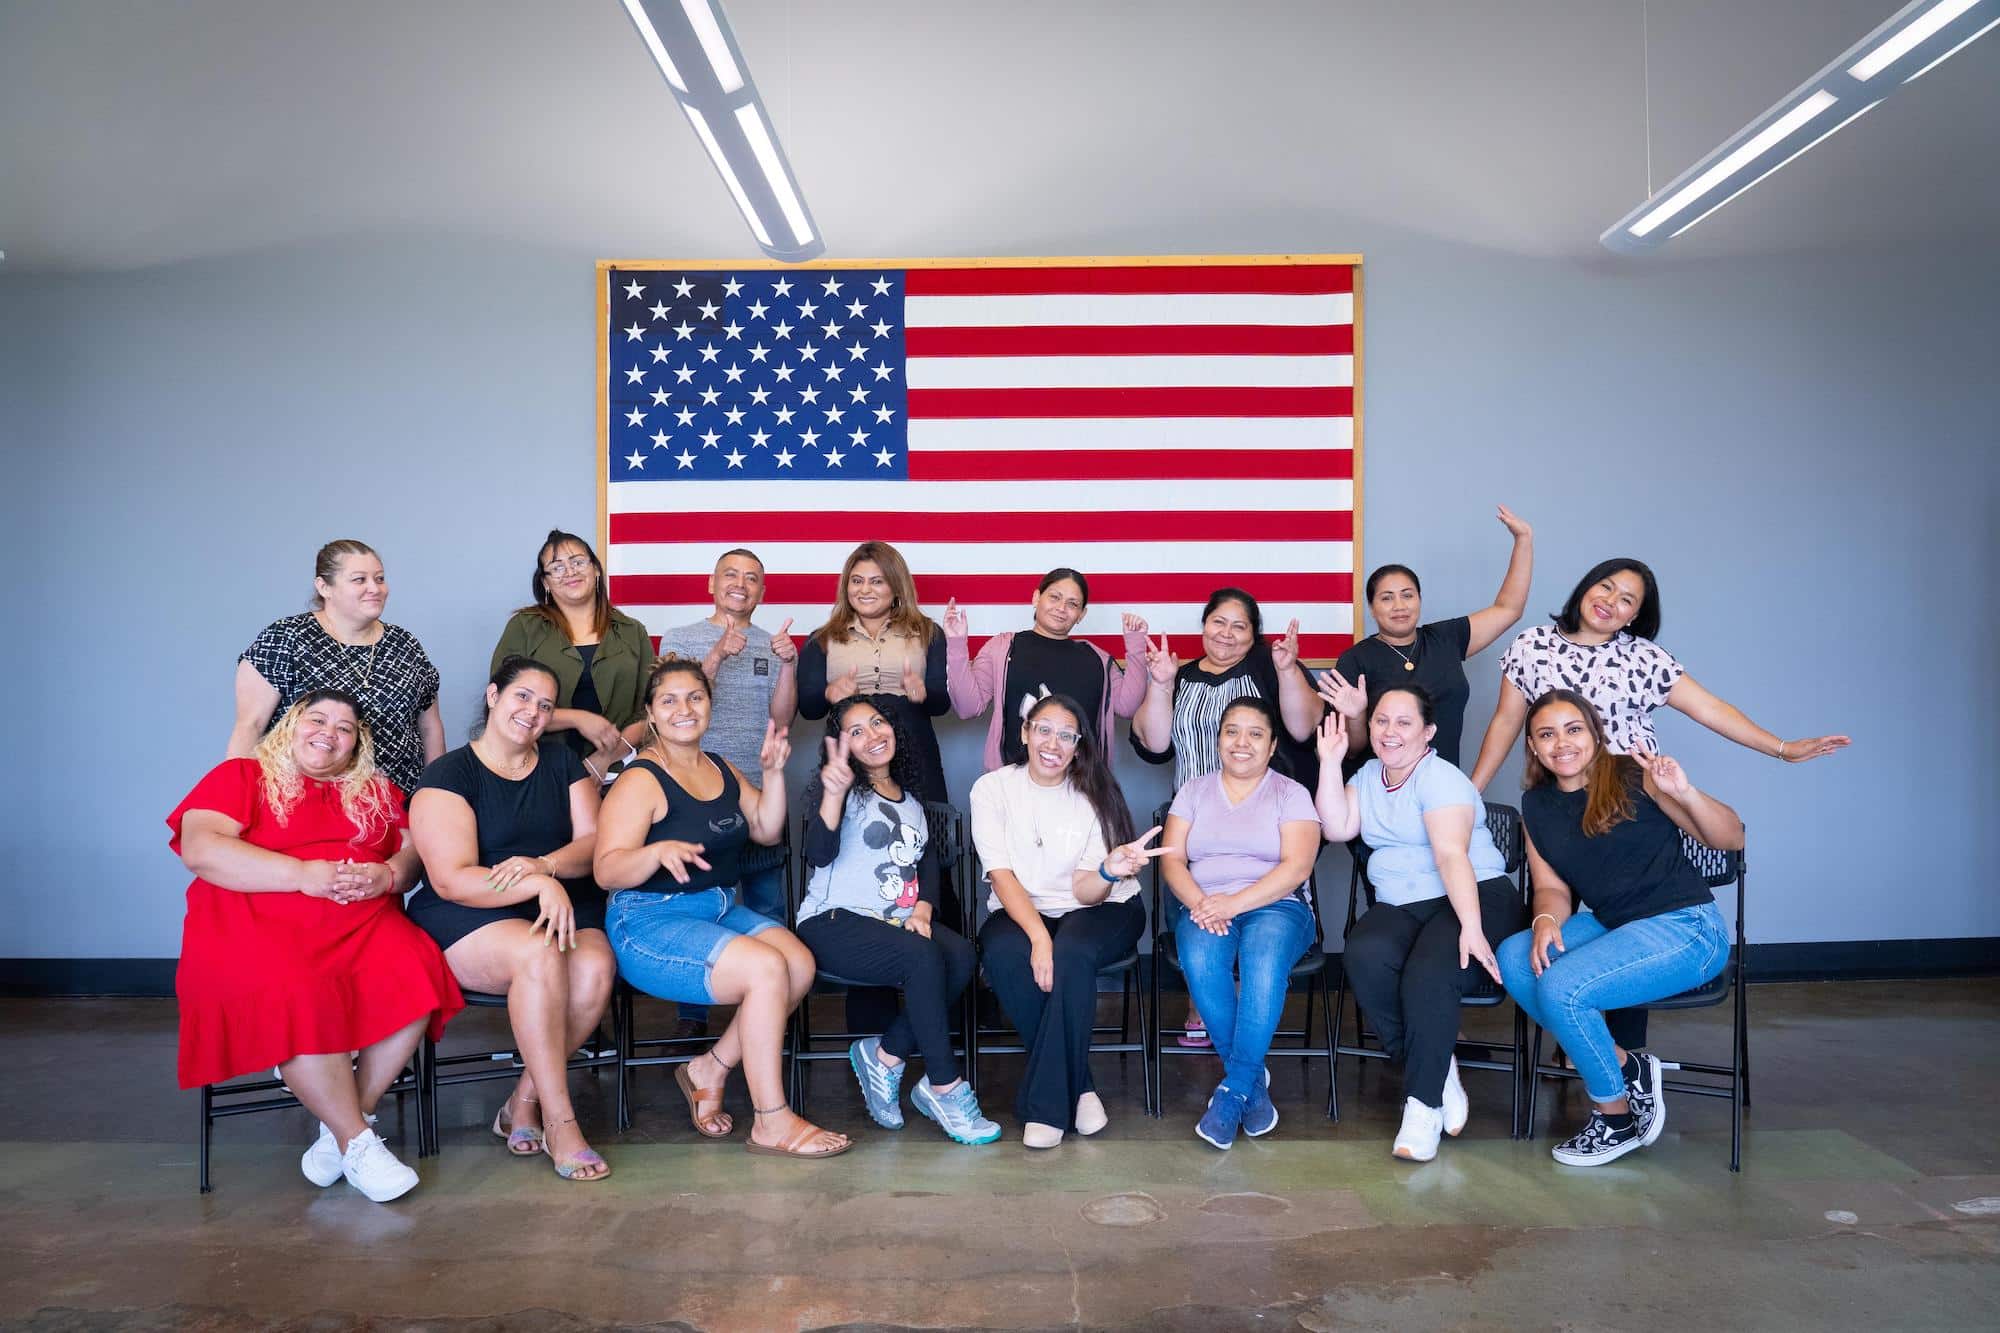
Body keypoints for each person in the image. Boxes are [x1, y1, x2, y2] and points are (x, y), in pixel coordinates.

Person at [1467, 557, 1845, 1055]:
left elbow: (1711, 709)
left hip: (1626, 805)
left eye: (1628, 600)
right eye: (1606, 588)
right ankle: (1604, 1057)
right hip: (1558, 811)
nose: (1612, 602)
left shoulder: (1643, 657)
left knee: (1629, 929)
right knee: (1558, 934)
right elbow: (1504, 722)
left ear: (1634, 617)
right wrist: (1468, 794)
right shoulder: (1532, 645)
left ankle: (1626, 1061)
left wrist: (1781, 747)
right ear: (1585, 588)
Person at [171, 690, 462, 1203]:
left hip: (360, 923)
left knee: (418, 968)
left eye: (346, 727)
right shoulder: (242, 776)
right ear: (290, 725)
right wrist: (302, 875)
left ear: (357, 744)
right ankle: (358, 1141)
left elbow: (417, 848)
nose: (330, 732)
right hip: (254, 921)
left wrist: (390, 874)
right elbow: (202, 847)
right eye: (318, 719)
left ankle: (342, 1128)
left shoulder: (374, 790)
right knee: (299, 987)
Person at [594, 658, 849, 1159]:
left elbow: (765, 829)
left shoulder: (719, 766)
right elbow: (606, 871)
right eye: (669, 700)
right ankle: (771, 1121)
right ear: (650, 712)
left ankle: (707, 1068)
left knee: (797, 964)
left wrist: (774, 774)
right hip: (648, 918)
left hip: (714, 908)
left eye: (695, 697)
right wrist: (654, 852)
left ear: (710, 705)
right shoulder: (641, 779)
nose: (684, 709)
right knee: (765, 970)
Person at [1496, 690, 1742, 1166]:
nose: (1561, 743)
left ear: (1594, 733)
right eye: (1546, 734)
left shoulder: (1634, 775)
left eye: (1573, 730)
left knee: (1565, 987)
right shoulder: (1537, 805)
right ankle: (1626, 1065)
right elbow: (1551, 889)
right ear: (1532, 746)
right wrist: (1546, 919)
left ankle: (1615, 1118)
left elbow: (1730, 836)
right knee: (1514, 957)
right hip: (1614, 924)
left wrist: (1683, 790)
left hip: (1686, 927)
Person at [406, 656, 616, 1181]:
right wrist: (538, 883)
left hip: (562, 901)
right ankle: (562, 1122)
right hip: (469, 910)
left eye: (546, 705)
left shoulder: (562, 763)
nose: (534, 712)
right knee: (539, 954)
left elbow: (592, 845)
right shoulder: (449, 773)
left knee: (594, 969)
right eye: (523, 697)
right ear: (493, 695)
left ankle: (522, 1101)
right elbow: (453, 877)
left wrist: (548, 867)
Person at [1311, 683, 1525, 1162]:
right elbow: (1338, 827)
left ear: (1428, 732)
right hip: (1404, 904)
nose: (1390, 732)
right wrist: (1329, 762)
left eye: (1404, 722)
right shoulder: (1368, 774)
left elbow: (1451, 855)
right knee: (1364, 955)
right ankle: (1437, 1067)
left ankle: (1422, 1105)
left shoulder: (1441, 779)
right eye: (1382, 720)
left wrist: (1471, 926)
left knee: (1430, 974)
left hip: (1474, 895)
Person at [793, 697, 1000, 1145]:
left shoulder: (910, 799)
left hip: (893, 923)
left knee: (961, 954)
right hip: (833, 922)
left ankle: (884, 1055)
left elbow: (923, 861)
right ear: (841, 747)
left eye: (878, 723)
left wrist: (924, 906)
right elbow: (819, 853)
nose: (872, 734)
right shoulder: (844, 791)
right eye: (856, 731)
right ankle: (944, 1086)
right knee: (923, 956)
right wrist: (832, 792)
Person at [971, 695, 1170, 1149]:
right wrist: (1039, 937)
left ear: (1078, 747)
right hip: (1023, 906)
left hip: (1102, 906)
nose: (1052, 744)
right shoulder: (992, 789)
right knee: (1003, 952)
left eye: (1066, 736)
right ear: (1024, 733)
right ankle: (1079, 1086)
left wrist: (1106, 872)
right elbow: (1000, 874)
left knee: (1073, 951)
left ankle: (1045, 1108)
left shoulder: (1093, 794)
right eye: (1043, 730)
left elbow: (1085, 891)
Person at [1132, 587, 1324, 1047]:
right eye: (1219, 621)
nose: (1227, 633)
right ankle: (1216, 1016)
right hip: (1196, 812)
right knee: (1202, 915)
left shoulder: (1266, 665)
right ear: (1203, 625)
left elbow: (1302, 727)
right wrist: (1158, 685)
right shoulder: (1176, 674)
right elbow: (1155, 745)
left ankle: (1239, 1033)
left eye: (1240, 626)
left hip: (1263, 816)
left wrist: (1288, 670)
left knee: (1258, 933)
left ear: (1254, 635)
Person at [1158, 696, 1322, 1149]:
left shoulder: (1291, 793)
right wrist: (1203, 904)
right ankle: (1249, 1079)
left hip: (1277, 905)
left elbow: (1297, 869)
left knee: (1263, 960)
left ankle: (1232, 1091)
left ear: (1271, 747)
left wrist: (1234, 903)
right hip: (1204, 903)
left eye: (1255, 734)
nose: (1241, 742)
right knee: (1200, 958)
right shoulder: (1194, 790)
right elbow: (1172, 863)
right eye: (1231, 731)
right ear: (1218, 740)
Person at [656, 547, 800, 1036]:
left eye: (753, 578)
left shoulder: (771, 642)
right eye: (731, 575)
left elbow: (781, 720)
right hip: (692, 793)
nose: (741, 583)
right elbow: (672, 702)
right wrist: (716, 656)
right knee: (695, 905)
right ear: (711, 585)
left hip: (757, 794)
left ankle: (764, 1017)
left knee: (767, 905)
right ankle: (692, 1018)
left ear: (762, 591)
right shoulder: (680, 638)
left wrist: (789, 665)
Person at [1316, 505, 1534, 772]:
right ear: (1372, 609)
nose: (1399, 605)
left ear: (1419, 600)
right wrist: (1356, 715)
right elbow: (1352, 750)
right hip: (1381, 792)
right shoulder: (1356, 659)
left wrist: (1523, 540)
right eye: (1387, 598)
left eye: (1407, 595)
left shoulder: (1446, 638)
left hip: (1442, 788)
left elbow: (1508, 609)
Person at [230, 539, 444, 797]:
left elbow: (430, 728)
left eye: (379, 578)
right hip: (302, 802)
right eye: (359, 580)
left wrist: (433, 795)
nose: (374, 588)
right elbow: (250, 726)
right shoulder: (286, 638)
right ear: (324, 587)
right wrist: (235, 798)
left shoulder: (405, 644)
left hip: (397, 808)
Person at [943, 567, 1150, 772]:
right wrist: (956, 644)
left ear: (1081, 614)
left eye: (1072, 604)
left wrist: (1136, 645)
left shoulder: (1097, 658)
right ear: (1036, 598)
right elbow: (967, 707)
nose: (1061, 608)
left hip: (1082, 785)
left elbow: (1128, 707)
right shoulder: (1002, 647)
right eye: (1054, 597)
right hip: (1013, 785)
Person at [489, 528, 655, 776]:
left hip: (620, 771)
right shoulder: (524, 627)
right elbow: (502, 704)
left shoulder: (633, 631)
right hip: (536, 768)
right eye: (557, 567)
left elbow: (651, 710)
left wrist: (603, 760)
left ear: (596, 569)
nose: (570, 572)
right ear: (545, 582)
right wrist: (577, 718)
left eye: (578, 562)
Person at [798, 541, 950, 807]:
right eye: (856, 581)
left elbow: (941, 706)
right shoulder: (821, 639)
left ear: (895, 587)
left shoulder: (929, 633)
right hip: (850, 756)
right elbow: (809, 709)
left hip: (916, 751)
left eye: (877, 582)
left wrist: (924, 693)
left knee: (926, 829)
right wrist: (828, 693)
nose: (865, 590)